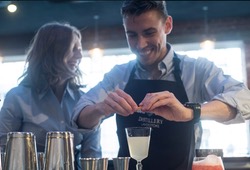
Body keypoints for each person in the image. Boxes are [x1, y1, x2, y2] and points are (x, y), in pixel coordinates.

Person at [73, 1, 250, 170]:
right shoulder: (119, 74)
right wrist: (101, 108)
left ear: (167, 25)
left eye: (149, 33)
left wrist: (189, 112)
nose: (140, 45)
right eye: (132, 35)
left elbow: (244, 99)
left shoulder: (196, 70)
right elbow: (79, 114)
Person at [0, 22, 101, 169]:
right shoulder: (17, 98)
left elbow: (92, 155)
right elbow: (3, 151)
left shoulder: (85, 101)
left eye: (80, 49)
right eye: (73, 49)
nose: (80, 55)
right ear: (53, 51)